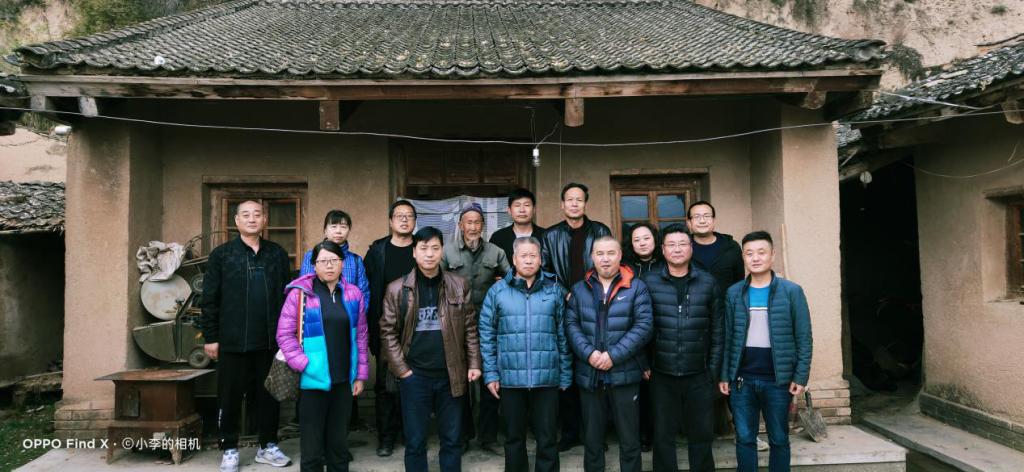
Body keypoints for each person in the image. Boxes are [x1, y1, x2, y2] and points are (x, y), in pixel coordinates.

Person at [199, 200, 293, 472]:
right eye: (246, 215)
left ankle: (268, 446)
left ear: (265, 220)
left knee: (268, 396)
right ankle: (229, 448)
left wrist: (288, 336)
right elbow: (210, 299)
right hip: (232, 341)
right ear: (236, 221)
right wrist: (211, 336)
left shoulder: (276, 253)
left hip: (269, 341)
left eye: (257, 214)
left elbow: (288, 296)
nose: (252, 219)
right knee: (229, 397)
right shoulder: (222, 255)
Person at [379, 226, 482, 472]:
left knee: (452, 439)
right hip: (415, 376)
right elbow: (387, 332)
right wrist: (403, 371)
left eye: (435, 248)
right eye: (424, 248)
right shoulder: (397, 289)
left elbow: (470, 328)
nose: (429, 254)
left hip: (451, 374)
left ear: (442, 251)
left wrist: (474, 363)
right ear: (414, 252)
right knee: (415, 441)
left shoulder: (459, 285)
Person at [719, 231, 813, 472]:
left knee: (779, 439)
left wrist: (800, 376)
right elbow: (728, 337)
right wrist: (725, 374)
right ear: (743, 257)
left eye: (761, 252)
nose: (755, 258)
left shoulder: (792, 291)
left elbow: (804, 337)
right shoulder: (734, 293)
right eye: (749, 253)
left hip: (778, 381)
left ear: (772, 255)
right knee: (745, 438)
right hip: (742, 380)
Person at [479, 236, 571, 472]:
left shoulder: (553, 291)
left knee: (547, 438)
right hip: (510, 379)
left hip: (546, 378)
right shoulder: (497, 291)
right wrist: (491, 374)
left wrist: (565, 373)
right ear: (514, 259)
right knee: (513, 439)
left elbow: (563, 335)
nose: (529, 260)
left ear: (540, 259)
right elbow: (487, 335)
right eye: (524, 256)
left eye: (533, 256)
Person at [277, 240, 369, 472]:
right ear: (314, 265)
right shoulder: (300, 294)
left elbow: (361, 336)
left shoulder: (353, 293)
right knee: (312, 448)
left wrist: (360, 375)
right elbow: (284, 334)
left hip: (343, 381)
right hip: (312, 381)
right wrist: (303, 364)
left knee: (338, 447)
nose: (329, 265)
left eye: (334, 260)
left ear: (342, 263)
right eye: (323, 261)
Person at [640, 225, 725, 472]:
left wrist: (713, 370)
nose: (677, 249)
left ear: (691, 248)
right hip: (660, 373)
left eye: (682, 244)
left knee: (702, 434)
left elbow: (718, 330)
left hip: (699, 373)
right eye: (671, 245)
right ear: (663, 249)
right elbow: (639, 326)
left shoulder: (708, 282)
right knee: (663, 435)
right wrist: (644, 363)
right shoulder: (648, 281)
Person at [565, 236, 653, 472]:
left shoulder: (636, 287)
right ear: (592, 257)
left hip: (625, 373)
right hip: (590, 373)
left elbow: (644, 326)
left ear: (620, 256)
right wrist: (589, 354)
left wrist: (613, 355)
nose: (605, 259)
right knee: (592, 440)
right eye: (600, 253)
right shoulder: (580, 289)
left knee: (629, 439)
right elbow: (571, 325)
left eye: (611, 253)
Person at [541, 182, 611, 450]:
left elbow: (609, 264)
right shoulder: (550, 235)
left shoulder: (600, 231)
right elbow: (545, 271)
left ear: (585, 203)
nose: (574, 204)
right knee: (567, 369)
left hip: (596, 306)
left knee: (595, 370)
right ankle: (570, 433)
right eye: (569, 199)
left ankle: (595, 434)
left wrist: (587, 292)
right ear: (562, 204)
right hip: (564, 306)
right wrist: (566, 293)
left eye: (579, 199)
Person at [442, 203, 510, 454]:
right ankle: (461, 437)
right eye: (468, 222)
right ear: (461, 225)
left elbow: (512, 280)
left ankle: (488, 437)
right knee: (459, 384)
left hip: (488, 325)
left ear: (483, 225)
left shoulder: (496, 252)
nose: (472, 227)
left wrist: (501, 284)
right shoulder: (447, 252)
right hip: (456, 327)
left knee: (489, 380)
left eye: (477, 222)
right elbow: (436, 284)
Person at [299, 209, 369, 441]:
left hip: (346, 328)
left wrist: (354, 316)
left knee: (345, 383)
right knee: (316, 388)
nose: (338, 231)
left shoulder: (355, 261)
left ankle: (339, 442)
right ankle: (316, 443)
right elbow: (303, 291)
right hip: (317, 330)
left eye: (343, 226)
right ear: (325, 229)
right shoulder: (312, 256)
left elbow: (363, 292)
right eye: (333, 226)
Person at [363, 200, 418, 457]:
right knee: (386, 385)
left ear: (415, 221)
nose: (404, 220)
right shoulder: (378, 251)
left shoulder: (421, 247)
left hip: (418, 327)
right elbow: (367, 289)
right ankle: (386, 438)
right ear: (390, 221)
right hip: (385, 325)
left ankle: (410, 433)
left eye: (409, 216)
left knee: (414, 382)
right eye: (399, 215)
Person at [621, 222, 662, 451]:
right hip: (633, 333)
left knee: (659, 389)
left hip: (661, 333)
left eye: (646, 238)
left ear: (655, 239)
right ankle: (643, 434)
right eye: (636, 240)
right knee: (639, 390)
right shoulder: (625, 266)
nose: (642, 243)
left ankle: (660, 434)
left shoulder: (665, 263)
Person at [686, 201, 744, 294]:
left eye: (707, 216)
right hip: (692, 303)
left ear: (714, 220)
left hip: (726, 302)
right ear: (689, 222)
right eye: (696, 217)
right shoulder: (682, 248)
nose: (702, 221)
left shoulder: (731, 247)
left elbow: (739, 282)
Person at [490, 188, 545, 261]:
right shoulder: (498, 237)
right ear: (509, 210)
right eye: (517, 205)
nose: (522, 210)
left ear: (534, 209)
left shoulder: (546, 236)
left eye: (527, 205)